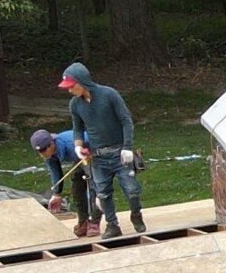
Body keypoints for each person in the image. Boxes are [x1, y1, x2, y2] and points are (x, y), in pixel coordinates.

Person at [58, 61, 145, 237]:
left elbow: (126, 121)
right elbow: (77, 128)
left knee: (132, 191)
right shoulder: (75, 105)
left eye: (72, 86)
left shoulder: (109, 94)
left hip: (119, 153)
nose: (70, 90)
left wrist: (127, 147)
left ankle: (136, 214)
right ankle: (112, 226)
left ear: (82, 81)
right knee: (103, 194)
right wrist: (78, 146)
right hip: (98, 157)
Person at [29, 127, 92, 234]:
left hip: (91, 152)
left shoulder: (69, 145)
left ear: (51, 144)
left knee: (93, 186)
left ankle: (94, 222)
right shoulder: (49, 154)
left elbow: (89, 171)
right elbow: (55, 172)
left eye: (43, 150)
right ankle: (83, 222)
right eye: (38, 151)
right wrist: (57, 193)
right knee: (76, 188)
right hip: (79, 158)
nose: (41, 154)